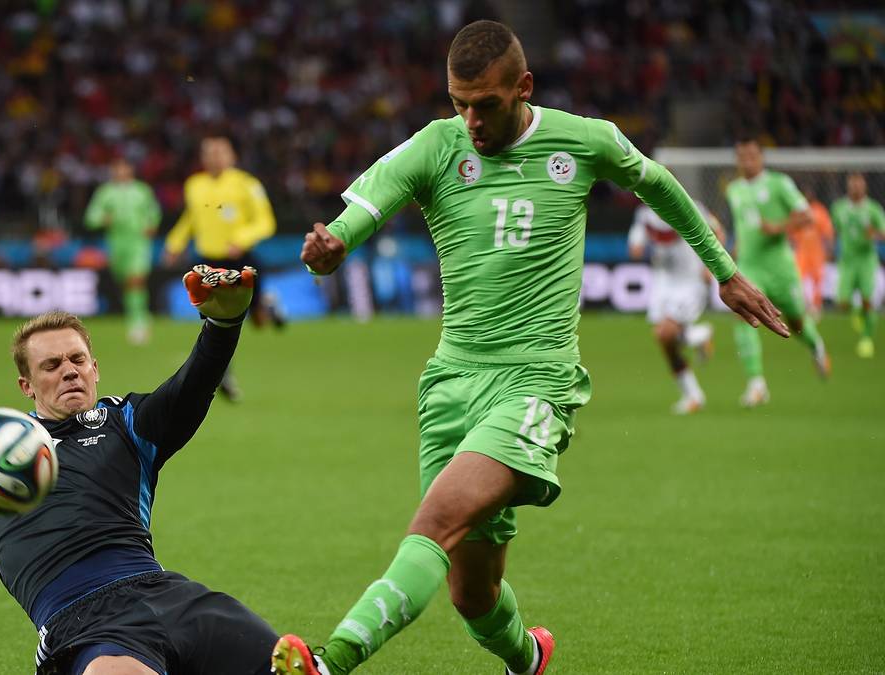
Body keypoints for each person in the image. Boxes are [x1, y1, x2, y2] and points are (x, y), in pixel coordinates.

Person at [269, 21, 787, 675]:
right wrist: (331, 247)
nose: (471, 120)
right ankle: (529, 657)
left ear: (524, 87)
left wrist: (725, 270)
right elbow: (361, 213)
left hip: (536, 382)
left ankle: (328, 660)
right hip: (451, 386)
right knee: (472, 593)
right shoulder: (438, 146)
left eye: (485, 104)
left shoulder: (585, 139)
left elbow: (658, 184)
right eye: (459, 102)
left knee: (432, 523)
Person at [0, 228, 277, 675]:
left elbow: (189, 389)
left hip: (173, 598)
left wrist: (223, 326)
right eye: (51, 366)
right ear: (27, 386)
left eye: (77, 360)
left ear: (95, 369)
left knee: (293, 666)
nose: (69, 372)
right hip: (85, 623)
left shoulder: (128, 422)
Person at [163, 135, 285, 399]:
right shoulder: (194, 185)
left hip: (240, 260)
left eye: (220, 152)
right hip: (209, 265)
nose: (214, 157)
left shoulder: (246, 184)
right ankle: (223, 375)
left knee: (258, 322)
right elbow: (191, 218)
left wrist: (242, 239)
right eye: (209, 152)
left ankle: (267, 305)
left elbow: (265, 221)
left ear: (232, 156)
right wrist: (175, 243)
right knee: (214, 323)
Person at [726, 138, 830, 406]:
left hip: (780, 268)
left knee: (795, 322)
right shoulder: (734, 189)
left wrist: (778, 226)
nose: (746, 161)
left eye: (750, 155)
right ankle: (757, 383)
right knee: (743, 314)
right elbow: (744, 228)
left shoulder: (779, 184)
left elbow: (807, 216)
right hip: (749, 267)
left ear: (761, 157)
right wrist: (733, 254)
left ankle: (816, 346)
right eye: (741, 156)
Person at [628, 200, 727, 413]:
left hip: (689, 280)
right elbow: (635, 245)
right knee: (664, 339)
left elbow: (718, 232)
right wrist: (637, 245)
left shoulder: (691, 206)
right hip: (663, 282)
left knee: (665, 333)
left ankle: (693, 390)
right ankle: (693, 391)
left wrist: (712, 266)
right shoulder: (645, 214)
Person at [84, 157, 162, 345]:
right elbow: (90, 217)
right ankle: (139, 313)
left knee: (136, 279)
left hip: (138, 242)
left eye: (124, 168)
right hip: (116, 244)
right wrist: (103, 218)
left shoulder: (142, 190)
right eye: (117, 168)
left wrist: (152, 224)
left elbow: (154, 211)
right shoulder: (105, 192)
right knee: (126, 283)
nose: (121, 172)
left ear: (130, 170)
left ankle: (138, 322)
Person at [830, 172, 885, 358]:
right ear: (848, 186)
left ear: (865, 186)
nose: (855, 187)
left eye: (859, 184)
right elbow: (837, 230)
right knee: (842, 303)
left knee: (868, 299)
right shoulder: (839, 208)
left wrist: (875, 234)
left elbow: (883, 233)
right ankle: (858, 311)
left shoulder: (873, 209)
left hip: (866, 260)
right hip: (847, 261)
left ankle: (867, 339)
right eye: (852, 184)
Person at [791, 185, 835, 316]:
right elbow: (791, 232)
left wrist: (829, 249)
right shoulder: (798, 211)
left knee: (817, 279)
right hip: (802, 251)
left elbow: (828, 232)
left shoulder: (820, 210)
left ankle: (816, 306)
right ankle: (802, 304)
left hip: (817, 252)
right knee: (799, 279)